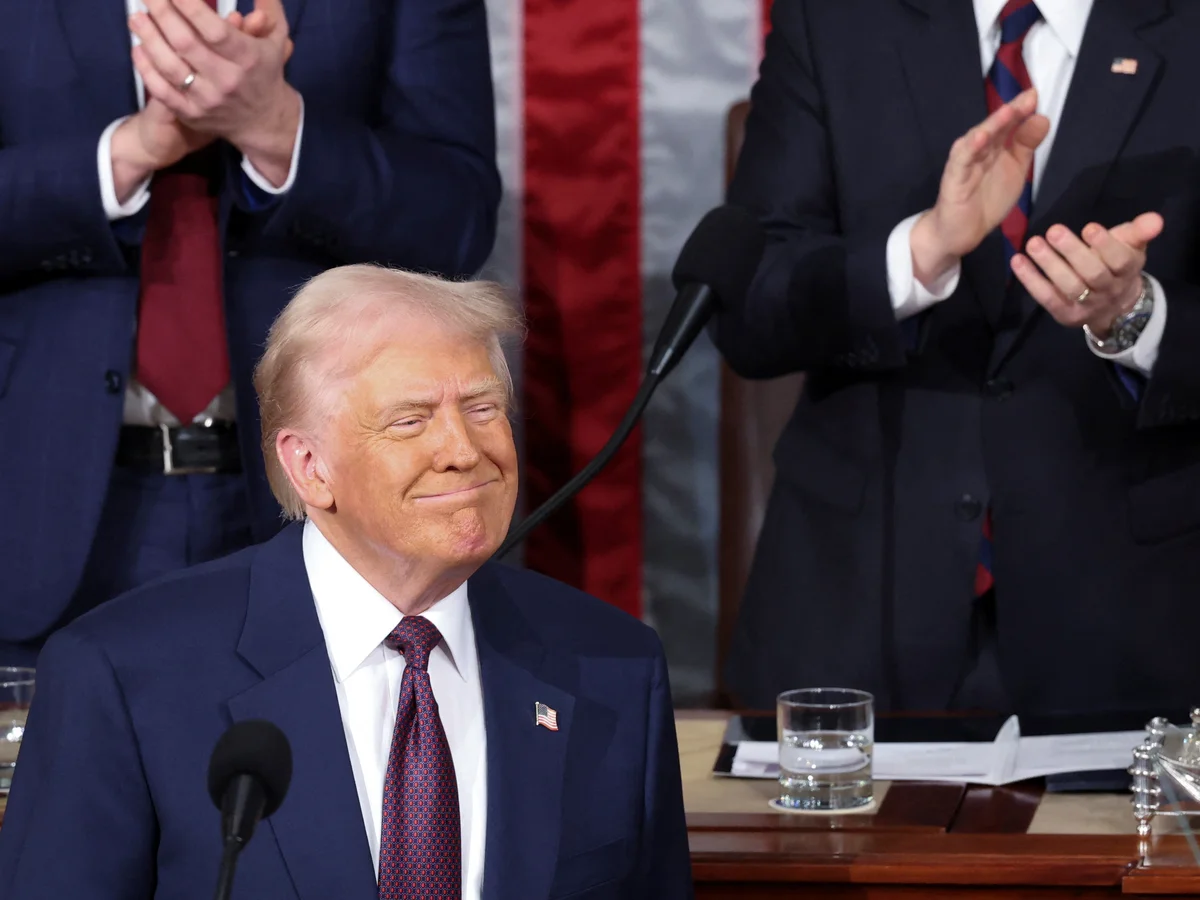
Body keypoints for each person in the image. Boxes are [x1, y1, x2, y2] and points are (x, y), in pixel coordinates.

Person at [0, 265, 693, 900]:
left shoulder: (614, 666)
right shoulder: (123, 676)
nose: (463, 450)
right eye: (411, 420)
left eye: (483, 408)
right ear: (309, 466)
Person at [716, 0, 1200, 715]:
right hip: (855, 624)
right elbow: (748, 307)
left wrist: (1136, 317)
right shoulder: (835, 20)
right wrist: (918, 254)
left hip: (1134, 633)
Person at [0, 0, 499, 666]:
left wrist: (276, 127)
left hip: (330, 489)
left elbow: (456, 221)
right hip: (38, 492)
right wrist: (128, 153)